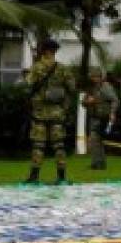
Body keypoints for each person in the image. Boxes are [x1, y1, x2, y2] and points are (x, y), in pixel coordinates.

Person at [24, 38, 77, 185]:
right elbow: (72, 88)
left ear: (45, 50)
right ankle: (61, 177)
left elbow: (28, 84)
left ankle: (34, 176)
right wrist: (65, 105)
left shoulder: (36, 67)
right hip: (57, 113)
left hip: (39, 113)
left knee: (38, 145)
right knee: (59, 146)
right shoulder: (63, 69)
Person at [82, 67, 118, 171]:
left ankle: (98, 164)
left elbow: (115, 100)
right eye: (92, 77)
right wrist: (88, 102)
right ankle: (98, 164)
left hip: (103, 117)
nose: (94, 79)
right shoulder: (91, 88)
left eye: (96, 76)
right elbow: (84, 102)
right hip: (94, 117)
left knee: (96, 140)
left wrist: (112, 113)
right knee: (96, 141)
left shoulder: (106, 87)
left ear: (100, 77)